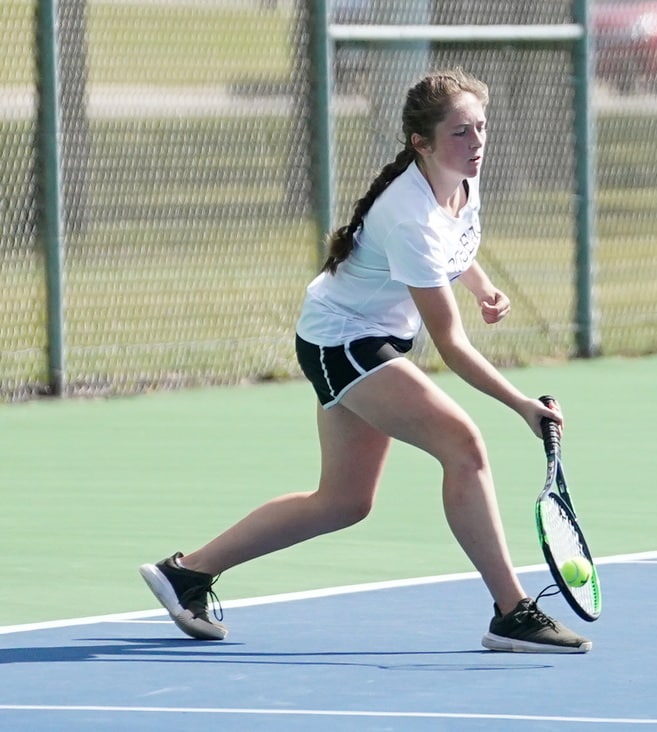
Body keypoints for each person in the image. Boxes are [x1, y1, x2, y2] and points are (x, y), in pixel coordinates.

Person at [140, 68, 592, 654]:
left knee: (344, 502)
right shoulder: (408, 216)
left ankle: (186, 573)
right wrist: (522, 405)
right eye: (460, 132)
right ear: (421, 143)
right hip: (343, 342)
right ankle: (512, 611)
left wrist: (481, 286)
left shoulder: (460, 177)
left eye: (481, 127)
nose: (477, 142)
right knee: (464, 446)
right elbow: (451, 344)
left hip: (364, 338)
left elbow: (454, 242)